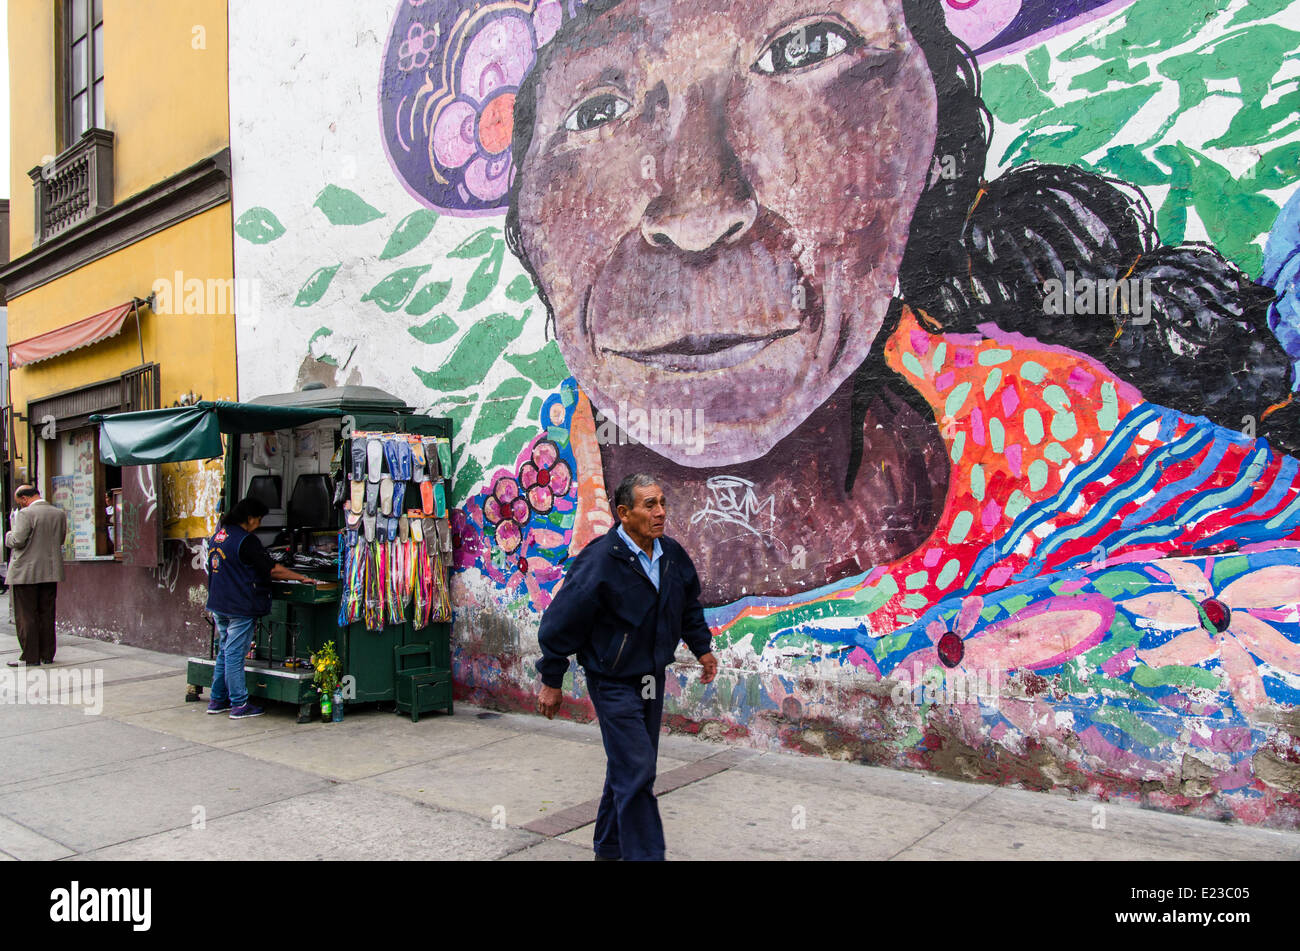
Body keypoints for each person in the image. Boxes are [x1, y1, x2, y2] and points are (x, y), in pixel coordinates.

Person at [499, 0, 1300, 606]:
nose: (700, 205)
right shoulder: (518, 525)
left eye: (805, 46)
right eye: (597, 110)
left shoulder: (1114, 479)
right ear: (527, 228)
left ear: (928, 151)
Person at [535, 473, 718, 860]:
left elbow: (687, 605)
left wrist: (702, 648)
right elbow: (558, 623)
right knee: (636, 770)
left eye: (662, 503)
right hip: (612, 680)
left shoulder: (670, 555)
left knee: (631, 767)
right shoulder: (600, 561)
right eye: (649, 505)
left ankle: (610, 850)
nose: (661, 512)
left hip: (651, 678)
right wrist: (551, 679)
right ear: (623, 513)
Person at [205, 496, 321, 718]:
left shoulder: (218, 537)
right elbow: (272, 570)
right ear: (249, 519)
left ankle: (217, 699)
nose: (258, 525)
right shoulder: (245, 541)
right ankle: (239, 704)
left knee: (224, 651)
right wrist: (300, 577)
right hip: (239, 606)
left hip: (219, 603)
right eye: (258, 520)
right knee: (234, 655)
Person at [4, 485, 67, 667]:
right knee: (46, 613)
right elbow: (60, 540)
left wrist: (9, 533)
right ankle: (47, 654)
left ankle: (30, 657)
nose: (21, 505)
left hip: (26, 572)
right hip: (50, 571)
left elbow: (17, 540)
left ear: (24, 499)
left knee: (26, 616)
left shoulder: (25, 514)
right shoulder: (58, 513)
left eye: (20, 502)